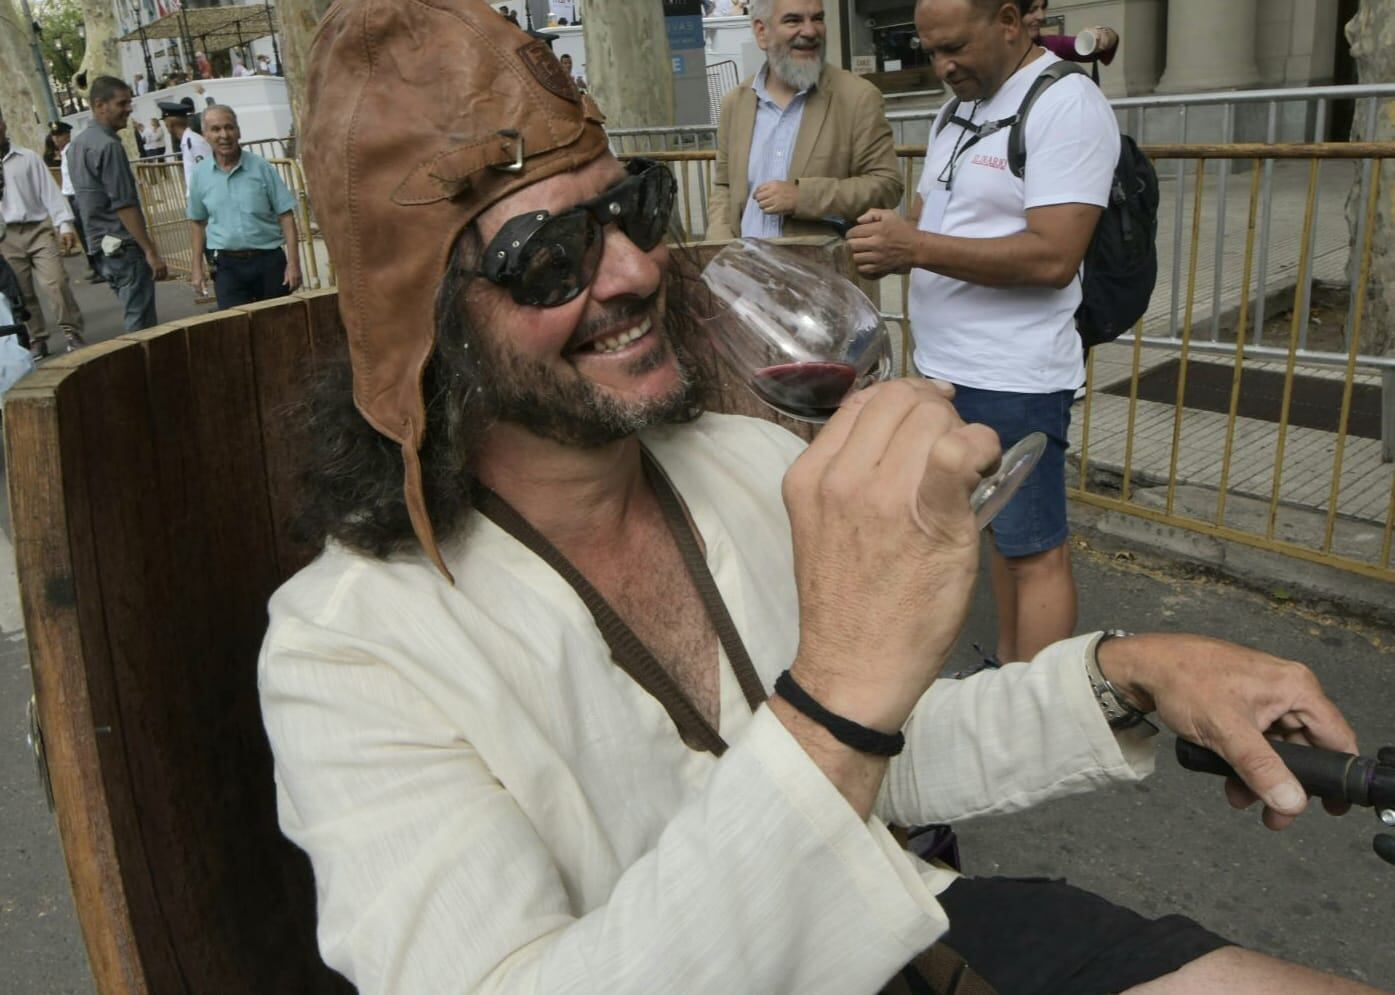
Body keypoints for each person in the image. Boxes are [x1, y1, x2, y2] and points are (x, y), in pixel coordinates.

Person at [260, 4, 1380, 993]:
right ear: (427, 323)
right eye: (550, 256)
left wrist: (1123, 674)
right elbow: (834, 726)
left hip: (905, 924)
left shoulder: (740, 465)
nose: (637, 271)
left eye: (633, 208)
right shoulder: (346, 655)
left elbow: (873, 746)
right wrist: (842, 685)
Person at [848, 0, 1113, 667]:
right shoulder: (961, 105)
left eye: (954, 48)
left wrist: (913, 248)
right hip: (948, 367)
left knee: (1035, 551)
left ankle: (1039, 708)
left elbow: (1054, 257)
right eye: (928, 50)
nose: (942, 66)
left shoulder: (1064, 105)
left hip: (1014, 376)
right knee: (996, 534)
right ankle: (1007, 677)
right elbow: (934, 213)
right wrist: (893, 233)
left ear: (1008, 20)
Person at [708, 0, 902, 241]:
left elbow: (887, 185)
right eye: (793, 20)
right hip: (744, 271)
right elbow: (724, 187)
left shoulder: (857, 97)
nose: (810, 31)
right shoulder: (735, 104)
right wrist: (718, 244)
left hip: (825, 273)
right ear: (762, 32)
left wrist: (804, 196)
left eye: (817, 19)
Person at [68, 76, 168, 332]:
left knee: (134, 315)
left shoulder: (77, 145)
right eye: (122, 103)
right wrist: (150, 250)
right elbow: (124, 205)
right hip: (123, 247)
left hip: (102, 249)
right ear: (100, 105)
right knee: (142, 325)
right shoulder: (108, 146)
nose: (129, 109)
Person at [186, 105, 301, 308]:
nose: (224, 135)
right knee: (235, 329)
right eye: (215, 129)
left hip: (269, 262)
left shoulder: (261, 167)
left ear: (238, 131)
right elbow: (197, 222)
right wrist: (196, 267)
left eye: (229, 127)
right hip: (227, 267)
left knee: (278, 325)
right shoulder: (199, 175)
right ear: (205, 135)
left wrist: (293, 264)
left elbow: (286, 215)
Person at [0, 108, 86, 358]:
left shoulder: (27, 158)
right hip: (6, 237)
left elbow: (50, 192)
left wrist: (64, 224)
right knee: (22, 291)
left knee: (55, 282)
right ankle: (36, 337)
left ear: (4, 124)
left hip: (38, 230)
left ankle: (72, 331)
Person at [50, 122, 104, 283]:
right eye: (54, 136)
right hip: (71, 197)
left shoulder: (72, 151)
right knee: (83, 234)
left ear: (67, 135)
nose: (56, 139)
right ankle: (94, 266)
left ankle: (101, 267)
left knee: (90, 234)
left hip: (79, 196)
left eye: (59, 135)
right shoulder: (65, 152)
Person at [1022, 0, 1118, 68]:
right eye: (1032, 9)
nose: (1041, 16)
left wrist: (1103, 35)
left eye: (1043, 8)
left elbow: (1102, 46)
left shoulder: (1049, 45)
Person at [159, 97, 213, 193]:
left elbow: (207, 175)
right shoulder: (186, 142)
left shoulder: (193, 142)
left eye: (165, 122)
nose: (165, 125)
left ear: (170, 123)